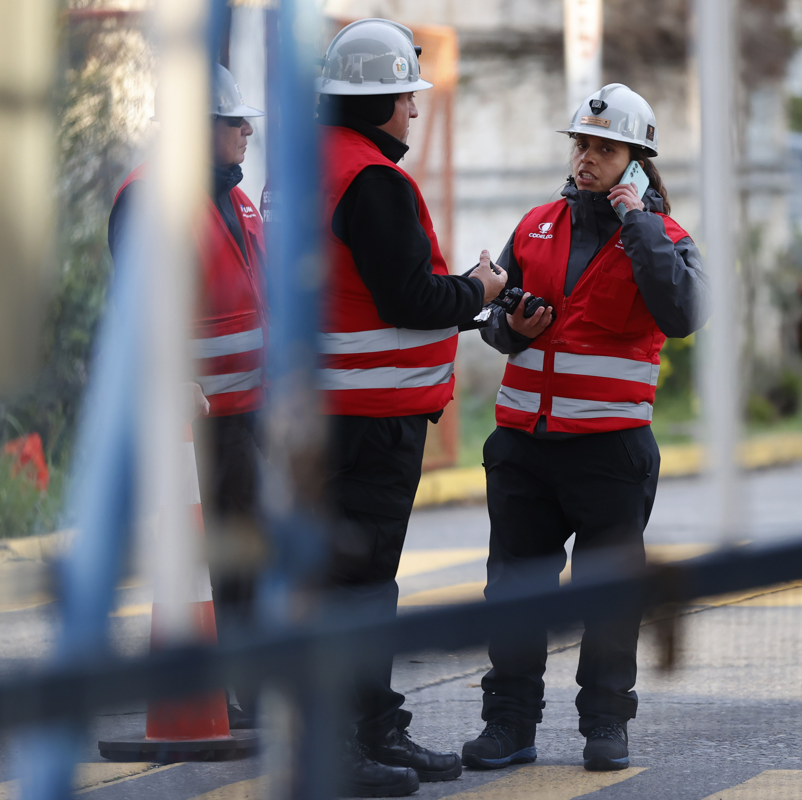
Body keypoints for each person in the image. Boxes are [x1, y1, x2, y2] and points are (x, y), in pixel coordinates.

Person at [461, 83, 707, 773]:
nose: (586, 158)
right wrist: (512, 327)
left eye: (605, 148)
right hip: (523, 447)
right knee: (514, 592)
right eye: (581, 144)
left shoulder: (666, 239)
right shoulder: (536, 224)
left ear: (637, 162)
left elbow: (683, 314)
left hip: (609, 453)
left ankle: (606, 725)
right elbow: (492, 316)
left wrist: (638, 220)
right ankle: (509, 725)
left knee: (609, 597)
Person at [315, 18, 508, 797]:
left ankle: (370, 729)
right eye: (406, 98)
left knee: (342, 582)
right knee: (359, 587)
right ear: (376, 102)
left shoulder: (304, 168)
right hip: (369, 422)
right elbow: (410, 298)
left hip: (323, 416)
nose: (415, 111)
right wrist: (480, 290)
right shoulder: (372, 180)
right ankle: (346, 744)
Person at [108, 64, 267, 728]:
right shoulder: (151, 198)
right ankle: (208, 692)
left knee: (244, 556)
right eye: (234, 121)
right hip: (190, 420)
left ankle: (246, 688)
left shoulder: (235, 196)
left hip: (243, 416)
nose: (247, 131)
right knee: (202, 560)